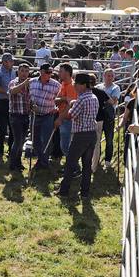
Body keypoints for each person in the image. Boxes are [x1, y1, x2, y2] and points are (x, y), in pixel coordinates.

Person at [58, 72, 98, 201]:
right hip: (92, 134)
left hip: (80, 135)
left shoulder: (81, 99)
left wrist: (70, 105)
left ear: (83, 85)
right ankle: (85, 193)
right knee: (87, 166)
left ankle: (64, 191)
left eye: (76, 84)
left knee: (70, 162)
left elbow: (71, 115)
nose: (74, 86)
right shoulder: (93, 97)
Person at [28, 63, 60, 171]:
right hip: (34, 115)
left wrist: (57, 108)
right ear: (41, 71)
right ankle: (41, 159)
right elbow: (27, 96)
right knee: (35, 138)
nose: (49, 74)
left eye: (51, 72)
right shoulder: (31, 82)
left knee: (46, 140)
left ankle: (44, 161)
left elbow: (59, 99)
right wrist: (30, 105)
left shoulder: (56, 85)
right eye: (47, 72)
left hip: (48, 115)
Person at [6, 62, 33, 174]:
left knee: (21, 141)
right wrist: (24, 84)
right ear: (18, 72)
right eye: (22, 71)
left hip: (26, 115)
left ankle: (18, 163)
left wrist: (33, 106)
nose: (24, 73)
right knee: (17, 140)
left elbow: (30, 99)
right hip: (15, 115)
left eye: (26, 71)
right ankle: (13, 164)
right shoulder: (13, 82)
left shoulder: (30, 85)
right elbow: (12, 91)